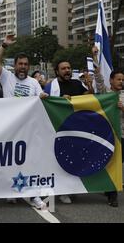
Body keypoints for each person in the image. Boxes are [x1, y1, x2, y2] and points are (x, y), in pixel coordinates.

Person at [0, 35, 48, 210]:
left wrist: (44, 97)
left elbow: (41, 99)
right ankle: (11, 192)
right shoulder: (6, 77)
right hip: (10, 128)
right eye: (20, 64)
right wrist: (4, 45)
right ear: (14, 65)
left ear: (28, 66)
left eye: (25, 64)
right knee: (10, 161)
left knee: (30, 162)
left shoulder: (33, 82)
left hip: (29, 129)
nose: (23, 67)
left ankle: (35, 196)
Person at [44, 60, 93, 205]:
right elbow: (45, 102)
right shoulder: (51, 86)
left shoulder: (77, 84)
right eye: (63, 68)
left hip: (76, 128)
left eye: (69, 68)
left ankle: (71, 188)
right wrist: (59, 100)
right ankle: (61, 191)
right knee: (58, 160)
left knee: (74, 159)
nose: (67, 70)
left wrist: (89, 85)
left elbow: (89, 98)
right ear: (57, 71)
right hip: (58, 128)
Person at [92, 47, 123, 208]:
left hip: (122, 135)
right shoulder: (106, 93)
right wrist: (95, 57)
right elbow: (98, 78)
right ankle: (112, 195)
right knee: (113, 163)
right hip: (109, 135)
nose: (121, 82)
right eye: (118, 79)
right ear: (111, 81)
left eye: (123, 79)